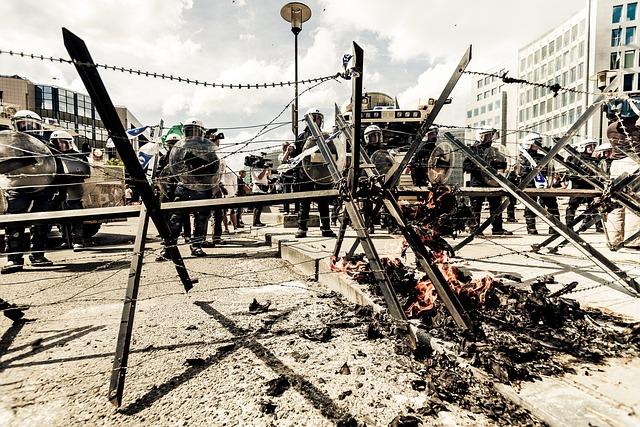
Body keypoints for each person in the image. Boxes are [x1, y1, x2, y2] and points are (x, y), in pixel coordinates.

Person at [2, 110, 56, 273]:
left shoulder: (46, 145)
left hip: (43, 187)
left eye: (31, 125)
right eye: (23, 124)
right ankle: (14, 259)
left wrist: (58, 189)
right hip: (17, 186)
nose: (27, 128)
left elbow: (57, 165)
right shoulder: (8, 144)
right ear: (15, 125)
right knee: (14, 223)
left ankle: (37, 256)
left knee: (41, 223)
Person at [165, 118, 214, 257]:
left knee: (201, 220)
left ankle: (196, 246)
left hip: (201, 189)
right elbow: (171, 170)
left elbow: (214, 168)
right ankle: (170, 247)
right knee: (175, 220)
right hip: (183, 189)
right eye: (188, 131)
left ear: (201, 132)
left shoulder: (207, 148)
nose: (191, 134)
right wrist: (169, 192)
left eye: (194, 130)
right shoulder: (179, 149)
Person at [293, 108, 336, 238]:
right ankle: (302, 228)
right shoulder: (301, 137)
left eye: (320, 117)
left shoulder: (325, 137)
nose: (318, 119)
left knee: (323, 202)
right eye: (316, 117)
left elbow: (333, 153)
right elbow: (296, 159)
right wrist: (296, 177)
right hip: (305, 175)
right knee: (304, 203)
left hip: (321, 175)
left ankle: (326, 227)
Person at [462, 127, 512, 236]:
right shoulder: (473, 150)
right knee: (476, 207)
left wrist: (496, 165)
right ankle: (475, 229)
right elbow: (465, 166)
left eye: (491, 135)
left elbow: (502, 165)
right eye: (487, 135)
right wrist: (480, 168)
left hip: (492, 182)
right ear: (480, 137)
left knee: (496, 205)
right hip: (477, 183)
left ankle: (497, 228)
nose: (490, 138)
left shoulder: (495, 150)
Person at [604, 107, 640, 249]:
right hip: (634, 164)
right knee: (635, 203)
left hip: (617, 164)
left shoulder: (611, 128)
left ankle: (614, 239)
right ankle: (633, 241)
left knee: (616, 202)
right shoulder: (636, 130)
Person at [49, 130, 90, 250]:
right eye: (56, 143)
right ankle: (65, 240)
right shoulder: (52, 157)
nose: (59, 145)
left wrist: (73, 175)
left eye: (62, 142)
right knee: (61, 217)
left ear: (69, 143)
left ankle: (78, 240)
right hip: (58, 190)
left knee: (76, 216)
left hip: (73, 189)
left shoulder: (78, 156)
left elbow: (86, 172)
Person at [518, 132, 560, 235]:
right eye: (537, 142)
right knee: (530, 206)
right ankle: (531, 227)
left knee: (552, 205)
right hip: (530, 185)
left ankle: (554, 227)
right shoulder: (524, 157)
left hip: (544, 184)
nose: (539, 144)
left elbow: (551, 169)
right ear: (529, 144)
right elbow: (521, 173)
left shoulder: (543, 157)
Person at [565, 138, 603, 233]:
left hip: (591, 186)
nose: (592, 148)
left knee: (595, 206)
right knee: (572, 206)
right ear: (583, 147)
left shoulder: (595, 160)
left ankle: (597, 226)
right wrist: (582, 177)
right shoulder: (577, 158)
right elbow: (570, 174)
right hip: (578, 186)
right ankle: (569, 226)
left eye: (593, 146)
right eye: (589, 146)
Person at [251, 159, 270, 227]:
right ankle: (256, 222)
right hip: (258, 190)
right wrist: (265, 169)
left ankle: (257, 221)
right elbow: (259, 177)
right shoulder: (256, 169)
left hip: (261, 189)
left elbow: (267, 175)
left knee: (259, 207)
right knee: (258, 207)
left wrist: (268, 169)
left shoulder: (260, 170)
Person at [278, 141, 296, 214]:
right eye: (285, 146)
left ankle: (297, 209)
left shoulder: (292, 155)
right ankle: (286, 210)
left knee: (295, 192)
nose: (287, 148)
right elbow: (283, 161)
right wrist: (287, 152)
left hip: (293, 175)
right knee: (286, 193)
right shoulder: (281, 155)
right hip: (285, 176)